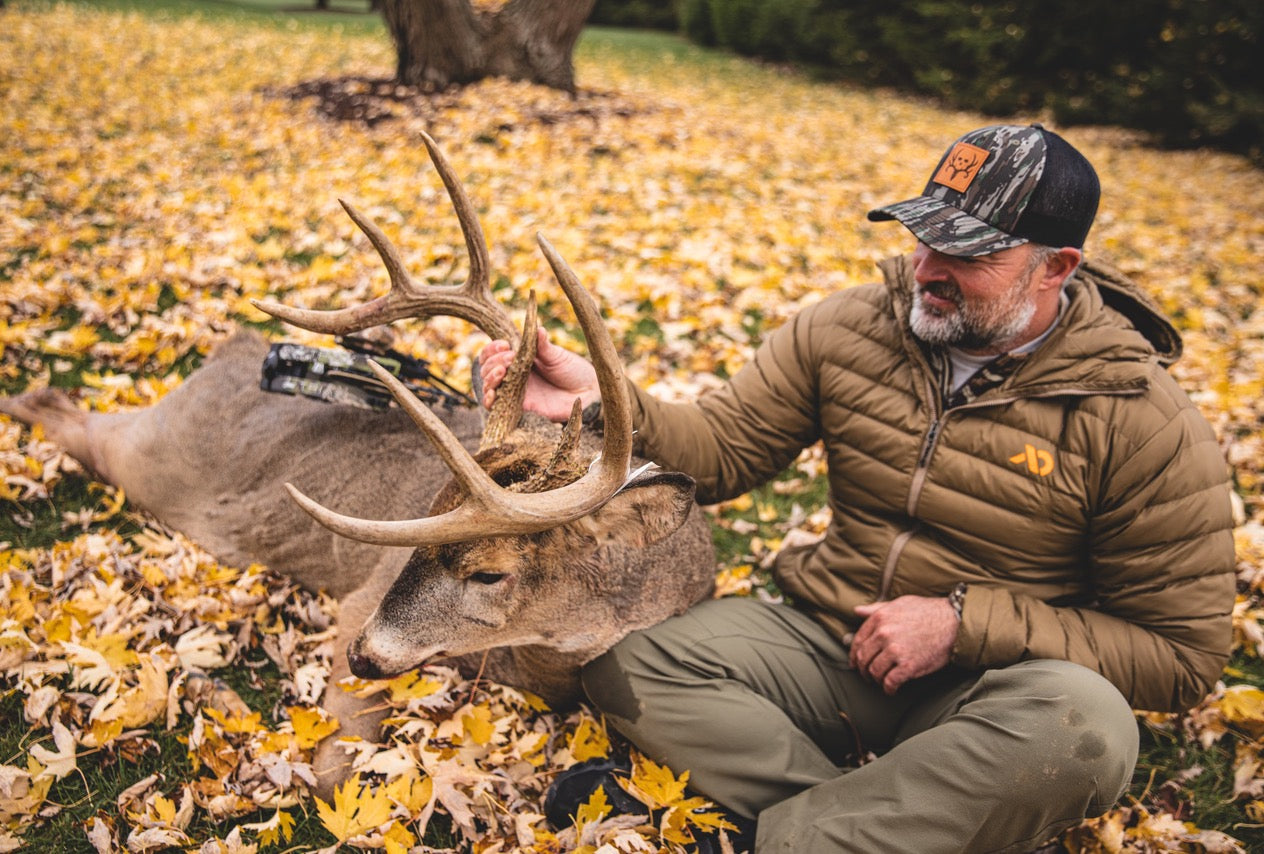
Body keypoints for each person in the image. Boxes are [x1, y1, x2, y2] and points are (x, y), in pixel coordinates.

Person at [478, 124, 1237, 853]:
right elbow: (723, 452)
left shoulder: (1143, 422)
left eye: (970, 254)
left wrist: (962, 625)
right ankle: (880, 826)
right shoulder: (849, 328)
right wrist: (605, 400)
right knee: (634, 662)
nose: (929, 267)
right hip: (830, 638)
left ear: (1056, 268)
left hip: (997, 687)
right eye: (925, 235)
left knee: (1089, 732)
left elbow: (1180, 658)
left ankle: (763, 835)